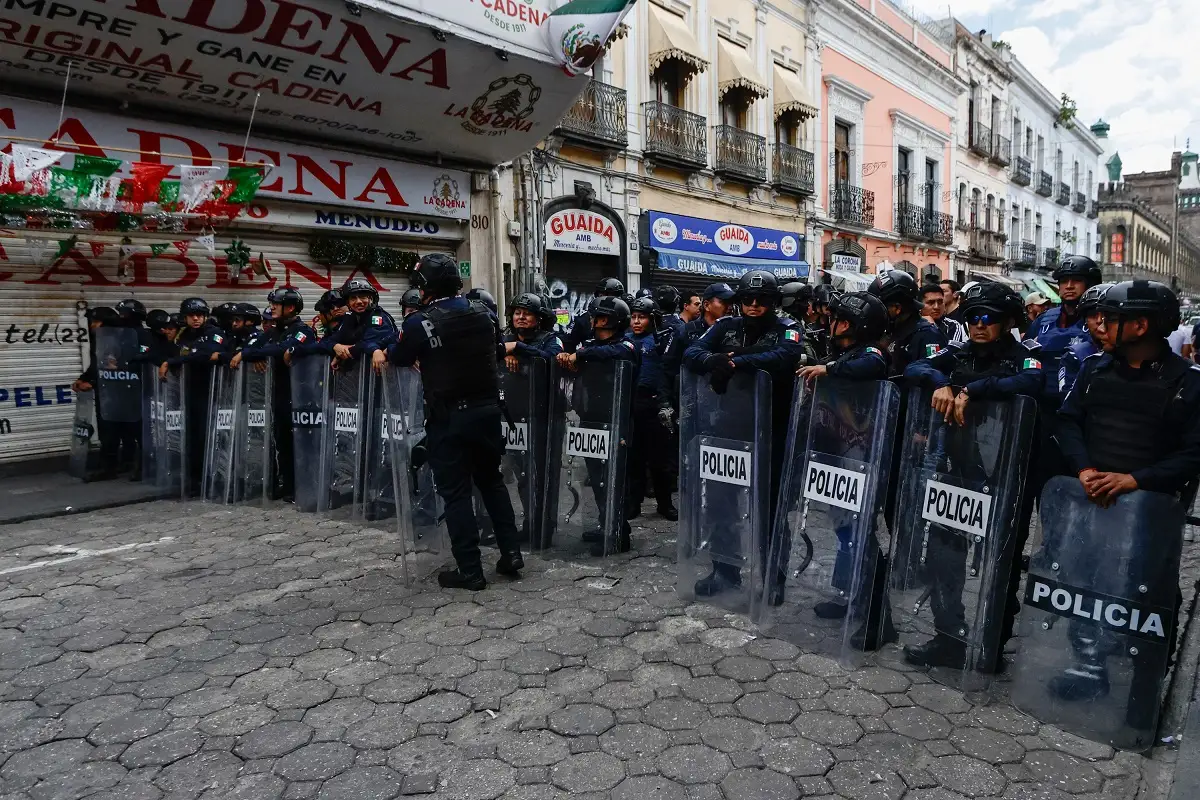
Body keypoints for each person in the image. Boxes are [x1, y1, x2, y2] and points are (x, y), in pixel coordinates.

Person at [1049, 280, 1200, 725]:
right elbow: (1068, 421)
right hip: (1090, 502)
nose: (1100, 326)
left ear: (1140, 325)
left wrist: (1135, 479)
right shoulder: (1095, 370)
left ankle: (1145, 687)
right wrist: (1083, 470)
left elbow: (1194, 453)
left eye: (1110, 319)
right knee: (1083, 582)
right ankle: (1088, 667)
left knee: (1148, 594)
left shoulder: (1188, 384)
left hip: (1149, 512)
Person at [902, 283, 1043, 670]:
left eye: (989, 320)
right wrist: (943, 385)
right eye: (973, 318)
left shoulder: (1025, 356)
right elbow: (916, 367)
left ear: (1009, 322)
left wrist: (973, 389)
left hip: (1004, 478)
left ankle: (992, 644)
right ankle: (948, 637)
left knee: (1001, 563)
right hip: (956, 474)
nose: (979, 326)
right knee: (943, 560)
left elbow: (1031, 382)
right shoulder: (959, 352)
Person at [373, 253, 523, 589]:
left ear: (425, 285)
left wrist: (381, 350)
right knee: (492, 483)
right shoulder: (484, 312)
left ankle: (470, 570)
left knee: (455, 494)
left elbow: (400, 356)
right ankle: (511, 553)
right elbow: (498, 350)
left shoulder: (418, 322)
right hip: (487, 414)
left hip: (449, 418)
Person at [683, 270, 804, 595]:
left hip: (770, 430)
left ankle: (773, 580)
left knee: (769, 509)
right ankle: (725, 571)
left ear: (772, 302)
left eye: (761, 300)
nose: (753, 305)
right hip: (729, 428)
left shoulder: (787, 328)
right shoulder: (726, 326)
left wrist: (735, 362)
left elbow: (785, 357)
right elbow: (692, 353)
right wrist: (714, 360)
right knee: (721, 503)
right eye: (747, 299)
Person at [793, 292, 892, 641]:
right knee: (844, 531)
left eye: (836, 317)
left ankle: (878, 617)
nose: (829, 322)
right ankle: (848, 594)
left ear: (850, 323)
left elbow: (873, 365)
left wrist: (829, 368)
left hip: (862, 458)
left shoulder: (870, 353)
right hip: (834, 457)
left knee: (861, 534)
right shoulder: (839, 353)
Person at [233, 287, 314, 502]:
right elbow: (250, 348)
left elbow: (281, 349)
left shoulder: (302, 331)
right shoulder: (272, 331)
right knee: (282, 442)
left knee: (300, 443)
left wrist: (255, 353)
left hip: (299, 397)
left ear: (289, 307)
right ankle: (287, 485)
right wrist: (252, 355)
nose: (271, 308)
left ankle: (302, 486)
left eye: (275, 304)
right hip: (278, 394)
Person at [160, 297, 228, 494]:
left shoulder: (214, 333)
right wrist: (172, 360)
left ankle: (211, 479)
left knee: (207, 436)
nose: (197, 319)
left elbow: (206, 354)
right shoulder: (183, 336)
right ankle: (194, 479)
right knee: (190, 437)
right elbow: (177, 353)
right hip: (188, 391)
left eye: (200, 315)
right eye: (192, 316)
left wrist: (175, 361)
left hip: (211, 391)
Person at [626, 296, 677, 523]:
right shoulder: (625, 339)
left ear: (652, 319)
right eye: (634, 317)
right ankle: (633, 504)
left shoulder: (662, 340)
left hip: (655, 402)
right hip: (630, 402)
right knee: (634, 458)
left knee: (660, 461)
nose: (636, 322)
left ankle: (665, 504)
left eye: (642, 317)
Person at [661, 282, 736, 407]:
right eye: (724, 302)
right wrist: (664, 403)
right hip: (691, 403)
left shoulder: (735, 332)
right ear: (706, 305)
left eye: (732, 303)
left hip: (725, 403)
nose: (730, 307)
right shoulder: (685, 331)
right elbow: (667, 368)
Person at [869, 270, 946, 377]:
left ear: (897, 308)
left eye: (882, 307)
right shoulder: (891, 331)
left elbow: (932, 377)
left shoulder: (927, 335)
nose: (879, 312)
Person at [316, 278, 397, 365]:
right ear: (348, 303)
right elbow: (327, 341)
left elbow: (369, 343)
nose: (358, 301)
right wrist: (335, 346)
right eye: (353, 298)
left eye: (363, 297)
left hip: (381, 374)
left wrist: (341, 354)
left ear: (371, 299)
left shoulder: (378, 317)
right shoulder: (350, 318)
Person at [1058, 283, 1111, 398]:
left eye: (1105, 315)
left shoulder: (1132, 354)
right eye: (1092, 315)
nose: (1099, 320)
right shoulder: (1074, 356)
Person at [562, 277, 625, 351]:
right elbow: (568, 343)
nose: (608, 301)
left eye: (614, 297)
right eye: (603, 296)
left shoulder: (625, 317)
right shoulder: (584, 318)